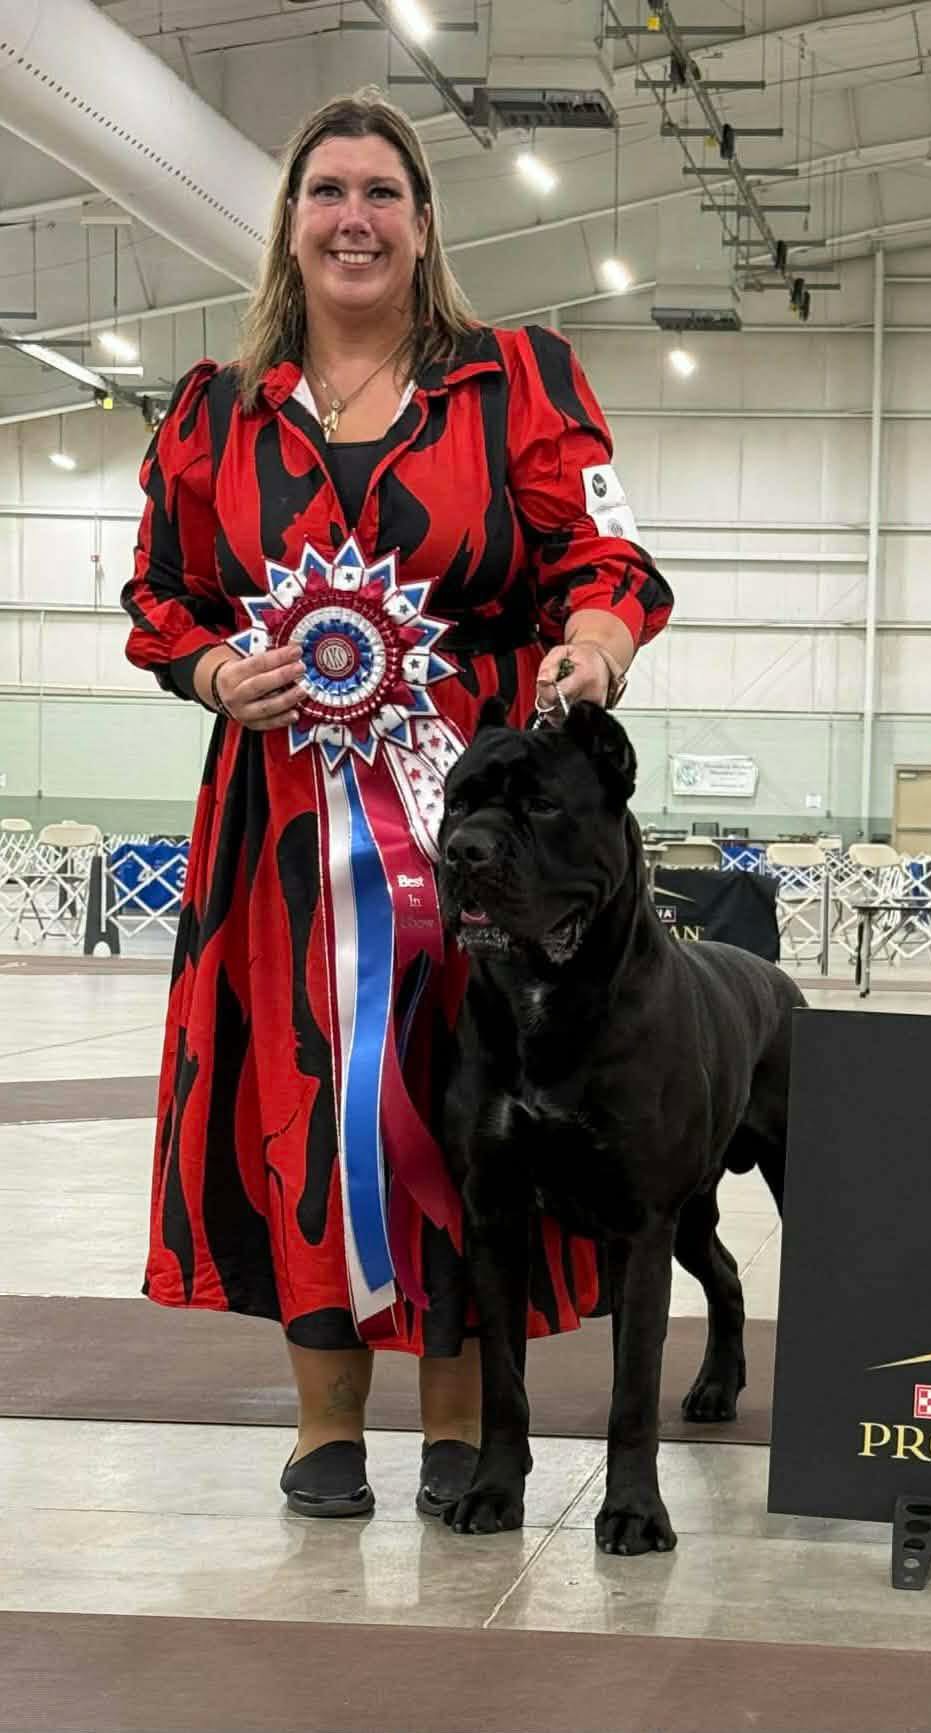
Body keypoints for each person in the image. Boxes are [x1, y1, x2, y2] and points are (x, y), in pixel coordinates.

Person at [121, 89, 672, 1519]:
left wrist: (597, 640)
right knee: (313, 1093)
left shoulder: (518, 382)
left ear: (426, 225)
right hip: (284, 824)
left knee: (464, 1091)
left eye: (381, 193)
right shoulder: (213, 413)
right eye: (327, 193)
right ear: (290, 224)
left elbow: (606, 551)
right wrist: (212, 670)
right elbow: (161, 594)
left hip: (475, 810)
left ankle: (458, 1419)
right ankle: (325, 1425)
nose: (353, 219)